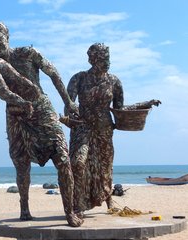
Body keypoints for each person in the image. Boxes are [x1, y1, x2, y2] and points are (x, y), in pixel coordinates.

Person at [0, 46, 83, 227]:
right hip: (15, 114)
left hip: (40, 108)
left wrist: (68, 102)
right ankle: (24, 209)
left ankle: (69, 212)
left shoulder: (23, 54)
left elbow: (52, 73)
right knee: (21, 162)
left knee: (62, 158)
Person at [64, 43, 161, 218]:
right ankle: (77, 205)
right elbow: (69, 104)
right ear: (92, 59)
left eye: (108, 58)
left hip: (105, 130)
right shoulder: (78, 78)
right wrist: (71, 115)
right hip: (82, 128)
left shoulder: (114, 81)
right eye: (102, 58)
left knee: (105, 167)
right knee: (78, 163)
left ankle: (108, 201)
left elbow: (120, 108)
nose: (107, 62)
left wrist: (145, 103)